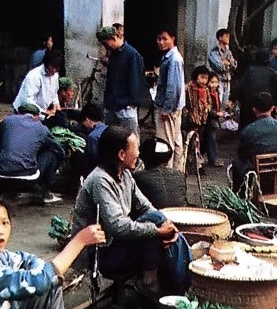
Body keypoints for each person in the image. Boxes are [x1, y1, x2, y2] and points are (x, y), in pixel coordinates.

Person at [71, 125, 190, 297]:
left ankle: (172, 282)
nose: (139, 154)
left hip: (118, 245)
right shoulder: (100, 181)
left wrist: (166, 225)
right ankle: (168, 283)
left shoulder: (125, 175)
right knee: (155, 230)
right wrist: (157, 230)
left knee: (158, 221)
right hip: (102, 254)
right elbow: (117, 226)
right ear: (121, 154)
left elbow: (146, 206)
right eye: (136, 149)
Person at [0, 103, 65, 203]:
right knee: (52, 153)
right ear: (36, 116)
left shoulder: (7, 121)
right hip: (27, 180)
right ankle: (44, 192)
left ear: (18, 113)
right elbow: (60, 151)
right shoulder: (42, 128)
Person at [231, 91, 277, 192]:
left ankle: (239, 194)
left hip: (254, 173)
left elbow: (242, 153)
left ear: (254, 109)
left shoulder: (247, 130)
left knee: (237, 162)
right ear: (272, 108)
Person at [95, 25, 145, 135]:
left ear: (113, 38)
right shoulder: (114, 55)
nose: (105, 47)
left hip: (126, 108)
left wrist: (131, 103)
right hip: (112, 106)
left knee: (130, 140)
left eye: (105, 43)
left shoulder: (132, 55)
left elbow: (136, 81)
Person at [154, 27, 186, 171]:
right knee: (176, 141)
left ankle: (168, 172)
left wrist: (167, 108)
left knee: (166, 143)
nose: (161, 42)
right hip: (174, 107)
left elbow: (173, 87)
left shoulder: (174, 59)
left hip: (169, 108)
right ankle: (177, 172)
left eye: (164, 38)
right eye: (159, 39)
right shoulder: (170, 57)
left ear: (173, 38)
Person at [231, 47, 277, 129]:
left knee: (246, 127)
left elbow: (240, 86)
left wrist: (233, 99)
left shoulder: (249, 71)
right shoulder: (272, 72)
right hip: (266, 105)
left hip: (249, 105)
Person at [184, 65, 222, 167]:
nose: (204, 81)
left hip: (203, 120)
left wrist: (207, 109)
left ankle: (198, 161)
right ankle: (189, 159)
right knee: (189, 139)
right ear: (196, 76)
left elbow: (208, 104)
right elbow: (185, 103)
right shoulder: (188, 88)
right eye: (202, 77)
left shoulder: (206, 90)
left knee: (199, 140)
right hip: (191, 119)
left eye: (206, 78)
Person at [134, 136, 187, 208]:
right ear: (167, 161)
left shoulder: (138, 177)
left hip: (155, 216)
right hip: (179, 214)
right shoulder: (180, 175)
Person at [13, 48, 62, 118]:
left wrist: (56, 105)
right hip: (24, 111)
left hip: (41, 112)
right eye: (52, 68)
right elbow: (27, 100)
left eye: (56, 69)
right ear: (47, 65)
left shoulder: (55, 75)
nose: (54, 71)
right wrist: (44, 111)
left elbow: (54, 93)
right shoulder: (34, 76)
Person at [208, 28, 237, 108]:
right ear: (220, 38)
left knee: (225, 104)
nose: (228, 38)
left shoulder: (229, 52)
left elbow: (234, 65)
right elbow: (220, 67)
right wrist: (227, 63)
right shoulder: (214, 52)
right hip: (218, 81)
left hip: (227, 81)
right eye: (226, 36)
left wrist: (226, 62)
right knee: (217, 103)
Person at [79, 103, 106, 177]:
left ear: (87, 120)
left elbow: (93, 159)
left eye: (84, 122)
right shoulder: (109, 129)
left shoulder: (93, 137)